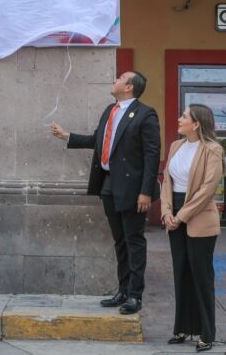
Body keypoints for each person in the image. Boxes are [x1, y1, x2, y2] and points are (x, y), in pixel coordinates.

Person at [50, 71, 161, 315]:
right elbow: (97, 140)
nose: (114, 80)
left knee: (134, 240)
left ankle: (135, 295)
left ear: (129, 87)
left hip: (132, 187)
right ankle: (123, 290)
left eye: (119, 78)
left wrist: (145, 192)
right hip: (109, 183)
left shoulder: (145, 114)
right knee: (119, 240)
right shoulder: (110, 110)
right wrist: (66, 136)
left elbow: (152, 155)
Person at [161, 105, 223, 353]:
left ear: (196, 123)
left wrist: (181, 215)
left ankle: (206, 332)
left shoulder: (213, 149)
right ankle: (182, 327)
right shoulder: (176, 146)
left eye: (184, 116)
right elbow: (166, 180)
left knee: (201, 276)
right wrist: (166, 212)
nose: (179, 119)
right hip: (174, 214)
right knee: (181, 273)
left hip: (199, 217)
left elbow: (207, 189)